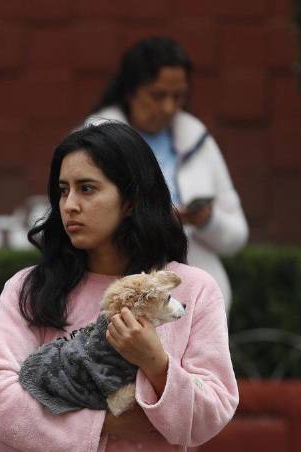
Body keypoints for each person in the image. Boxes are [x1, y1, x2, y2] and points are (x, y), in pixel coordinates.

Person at [0, 121, 239, 452]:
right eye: (63, 190)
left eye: (88, 189)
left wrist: (156, 364)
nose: (69, 205)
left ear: (131, 199)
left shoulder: (190, 290)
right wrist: (106, 427)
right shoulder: (28, 290)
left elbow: (213, 409)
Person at [86, 36, 248, 313]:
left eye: (178, 96)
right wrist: (152, 221)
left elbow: (236, 236)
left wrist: (207, 220)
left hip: (194, 299)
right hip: (116, 298)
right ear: (130, 92)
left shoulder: (197, 139)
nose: (169, 108)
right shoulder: (94, 139)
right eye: (157, 95)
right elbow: (69, 222)